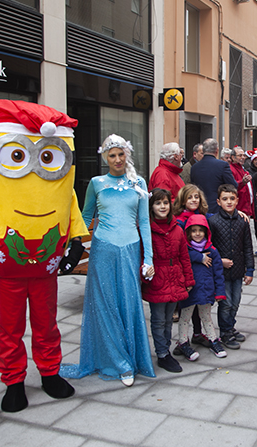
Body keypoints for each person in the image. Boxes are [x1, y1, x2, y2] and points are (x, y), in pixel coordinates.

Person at [0, 100, 88, 412]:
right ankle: (14, 381)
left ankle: (50, 372)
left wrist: (75, 243)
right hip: (6, 270)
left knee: (47, 324)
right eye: (17, 155)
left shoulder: (61, 183)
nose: (33, 165)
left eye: (46, 156)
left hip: (46, 267)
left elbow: (70, 205)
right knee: (9, 327)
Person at [60, 134, 156, 387]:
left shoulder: (139, 183)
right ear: (105, 158)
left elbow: (144, 223)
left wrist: (149, 258)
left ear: (127, 155)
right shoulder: (96, 182)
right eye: (112, 155)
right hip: (102, 250)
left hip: (130, 250)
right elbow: (85, 215)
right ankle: (119, 362)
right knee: (105, 305)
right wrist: (75, 245)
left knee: (128, 304)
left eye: (121, 154)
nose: (117, 159)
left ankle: (129, 359)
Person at [142, 188, 195, 373]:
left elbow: (184, 256)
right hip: (157, 278)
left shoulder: (177, 228)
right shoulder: (147, 229)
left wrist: (188, 279)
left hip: (174, 277)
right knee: (158, 319)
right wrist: (145, 275)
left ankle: (165, 350)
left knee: (169, 318)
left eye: (165, 202)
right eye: (158, 203)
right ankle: (162, 353)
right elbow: (143, 256)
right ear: (151, 206)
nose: (162, 206)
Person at [208, 184, 254, 349]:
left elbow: (248, 247)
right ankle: (225, 332)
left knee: (235, 302)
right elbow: (209, 248)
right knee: (225, 303)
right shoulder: (213, 221)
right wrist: (219, 261)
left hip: (238, 270)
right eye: (225, 199)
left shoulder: (242, 221)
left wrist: (249, 270)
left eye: (232, 199)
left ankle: (231, 326)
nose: (229, 202)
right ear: (218, 201)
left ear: (237, 200)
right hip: (222, 272)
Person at [176, 215, 228, 360]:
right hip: (190, 292)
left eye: (200, 230)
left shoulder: (212, 251)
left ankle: (213, 341)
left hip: (205, 291)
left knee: (206, 317)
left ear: (206, 232)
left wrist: (220, 292)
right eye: (193, 231)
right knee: (185, 318)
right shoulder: (185, 250)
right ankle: (182, 342)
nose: (197, 234)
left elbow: (218, 273)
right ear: (188, 233)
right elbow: (182, 259)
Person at [190, 138, 237, 215]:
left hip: (200, 208)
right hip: (217, 209)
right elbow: (233, 185)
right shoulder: (223, 165)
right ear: (217, 151)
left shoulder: (194, 167)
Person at [230, 146, 256, 217]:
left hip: (246, 210)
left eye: (244, 155)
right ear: (233, 157)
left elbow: (249, 191)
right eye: (240, 155)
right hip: (238, 210)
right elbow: (231, 188)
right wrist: (242, 182)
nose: (243, 157)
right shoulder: (230, 170)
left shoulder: (244, 170)